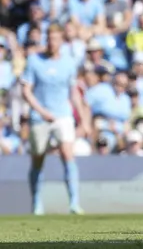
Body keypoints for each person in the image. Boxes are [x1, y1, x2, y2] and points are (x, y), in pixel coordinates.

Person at [21, 24, 91, 215]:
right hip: (40, 117)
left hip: (62, 115)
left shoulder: (69, 63)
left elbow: (74, 94)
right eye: (49, 39)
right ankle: (36, 203)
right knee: (38, 159)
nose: (52, 43)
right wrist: (42, 112)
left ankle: (74, 204)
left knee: (68, 154)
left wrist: (84, 120)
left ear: (61, 41)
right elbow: (26, 91)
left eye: (55, 39)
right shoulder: (35, 61)